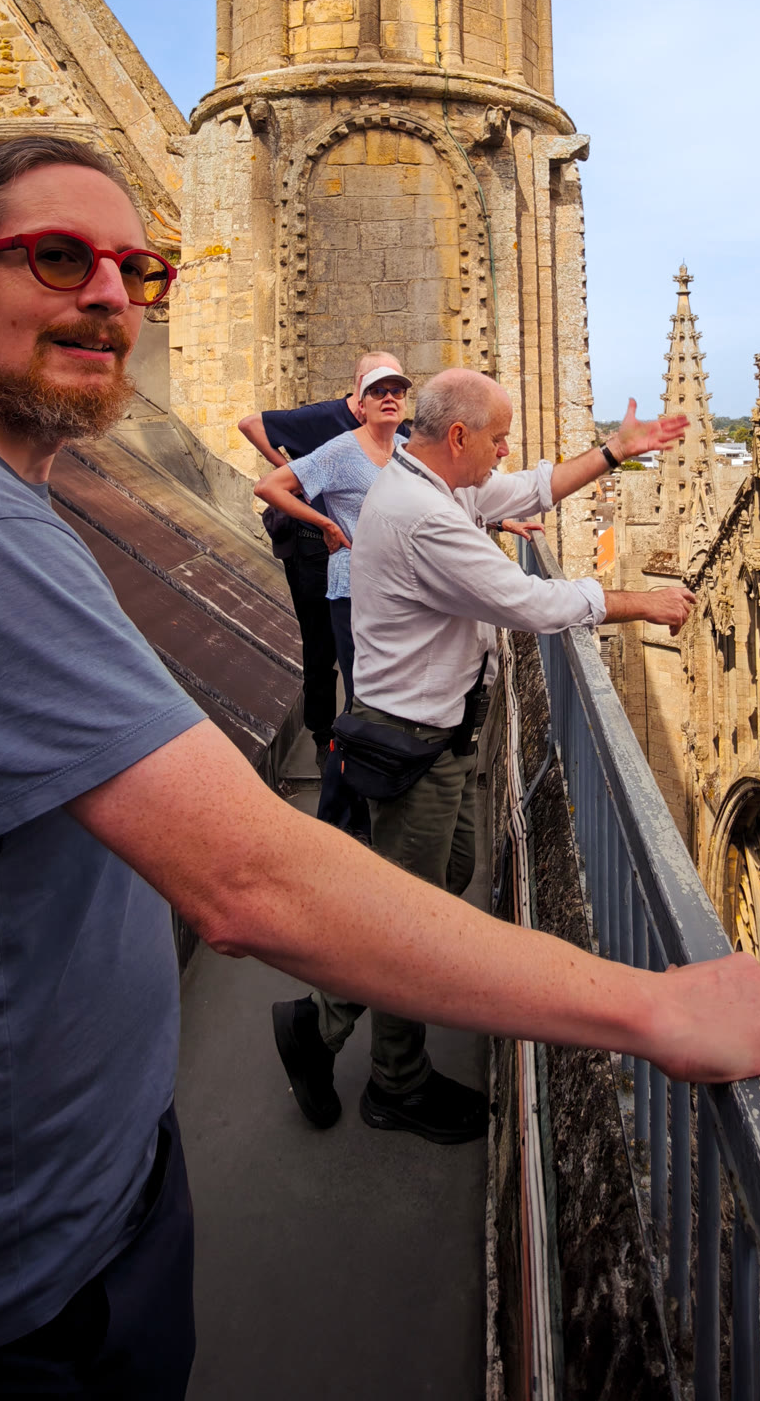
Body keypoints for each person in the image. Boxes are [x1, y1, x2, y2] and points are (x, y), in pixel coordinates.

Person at [0, 137, 760, 1398]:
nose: (111, 296)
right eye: (59, 257)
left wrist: (608, 455)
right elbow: (248, 881)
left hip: (55, 1219)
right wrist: (649, 1007)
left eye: (140, 270)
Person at [271, 369, 715, 1148]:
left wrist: (614, 451)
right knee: (412, 928)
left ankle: (323, 1017)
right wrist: (640, 603)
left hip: (434, 739)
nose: (505, 451)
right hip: (411, 745)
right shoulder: (421, 516)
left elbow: (527, 489)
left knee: (439, 885)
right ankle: (391, 1080)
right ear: (458, 437)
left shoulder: (430, 482)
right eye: (498, 438)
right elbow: (529, 604)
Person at [253, 359, 411, 836]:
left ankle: (368, 805)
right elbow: (270, 485)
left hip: (395, 593)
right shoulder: (342, 448)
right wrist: (323, 520)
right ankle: (339, 816)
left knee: (384, 698)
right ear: (360, 402)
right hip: (351, 588)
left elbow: (450, 498)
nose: (389, 397)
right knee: (363, 700)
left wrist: (499, 519)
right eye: (378, 391)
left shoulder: (407, 451)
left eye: (397, 391)